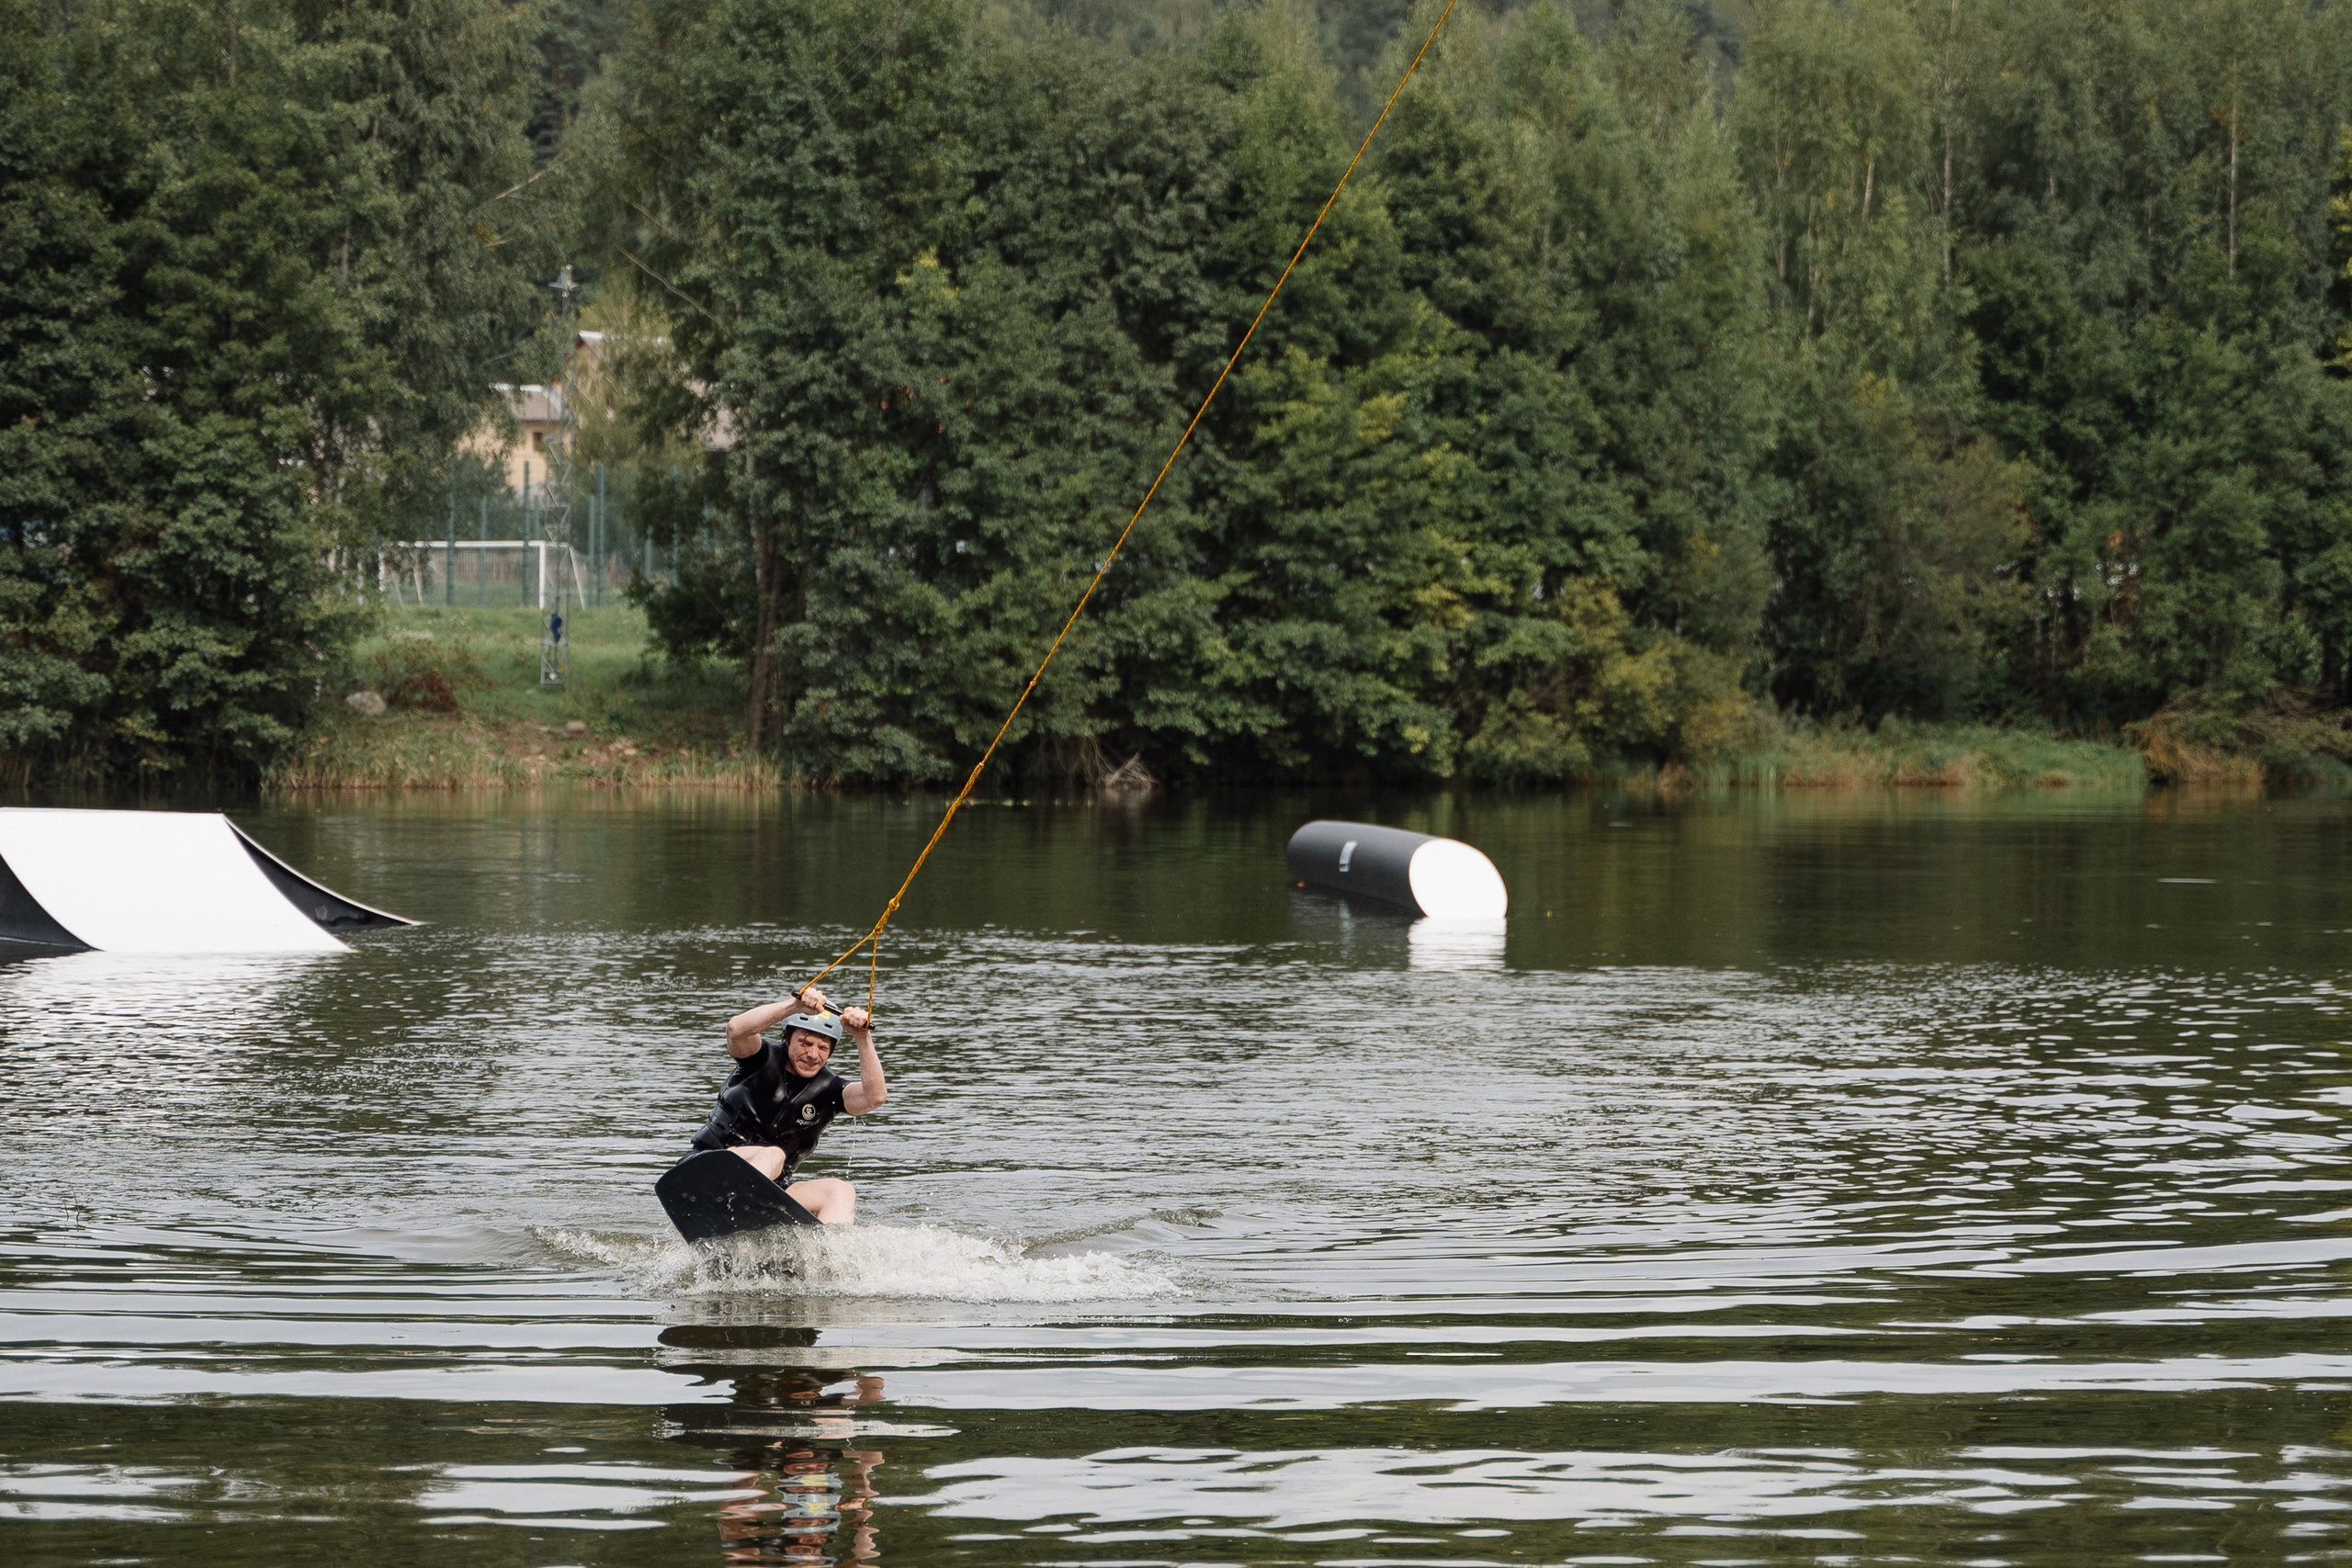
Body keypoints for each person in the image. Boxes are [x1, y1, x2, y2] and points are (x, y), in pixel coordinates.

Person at [688, 986, 887, 1224]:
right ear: (788, 1039)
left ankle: (829, 1255)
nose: (813, 1054)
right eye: (805, 1043)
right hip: (707, 1170)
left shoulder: (830, 1089)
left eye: (823, 1048)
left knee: (841, 1190)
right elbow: (736, 1029)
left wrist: (862, 1037)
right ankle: (740, 1208)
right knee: (773, 1155)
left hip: (768, 1190)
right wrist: (795, 1006)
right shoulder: (758, 1060)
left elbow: (874, 1096)